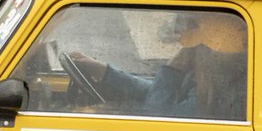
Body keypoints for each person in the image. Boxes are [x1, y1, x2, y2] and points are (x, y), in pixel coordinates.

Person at [68, 13, 246, 120]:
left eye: (187, 41)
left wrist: (173, 70)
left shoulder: (220, 87)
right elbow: (156, 93)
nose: (182, 45)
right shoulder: (205, 73)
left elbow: (157, 116)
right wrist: (104, 71)